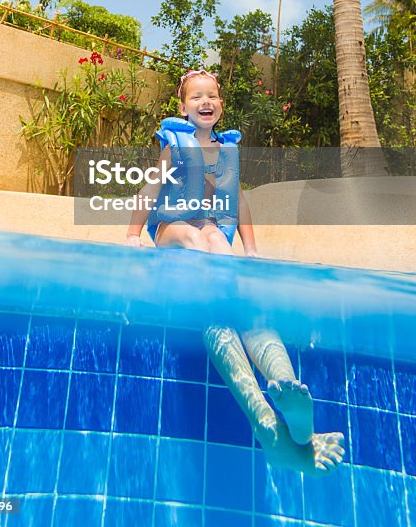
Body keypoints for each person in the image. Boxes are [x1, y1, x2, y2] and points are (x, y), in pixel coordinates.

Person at [126, 69, 344, 475]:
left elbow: (239, 203)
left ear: (221, 106)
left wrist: (252, 249)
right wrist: (132, 235)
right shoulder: (174, 146)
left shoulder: (226, 151)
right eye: (196, 97)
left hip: (209, 228)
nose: (204, 102)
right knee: (199, 244)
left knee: (223, 265)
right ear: (182, 106)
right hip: (174, 228)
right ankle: (276, 412)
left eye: (211, 96)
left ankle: (280, 397)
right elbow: (151, 189)